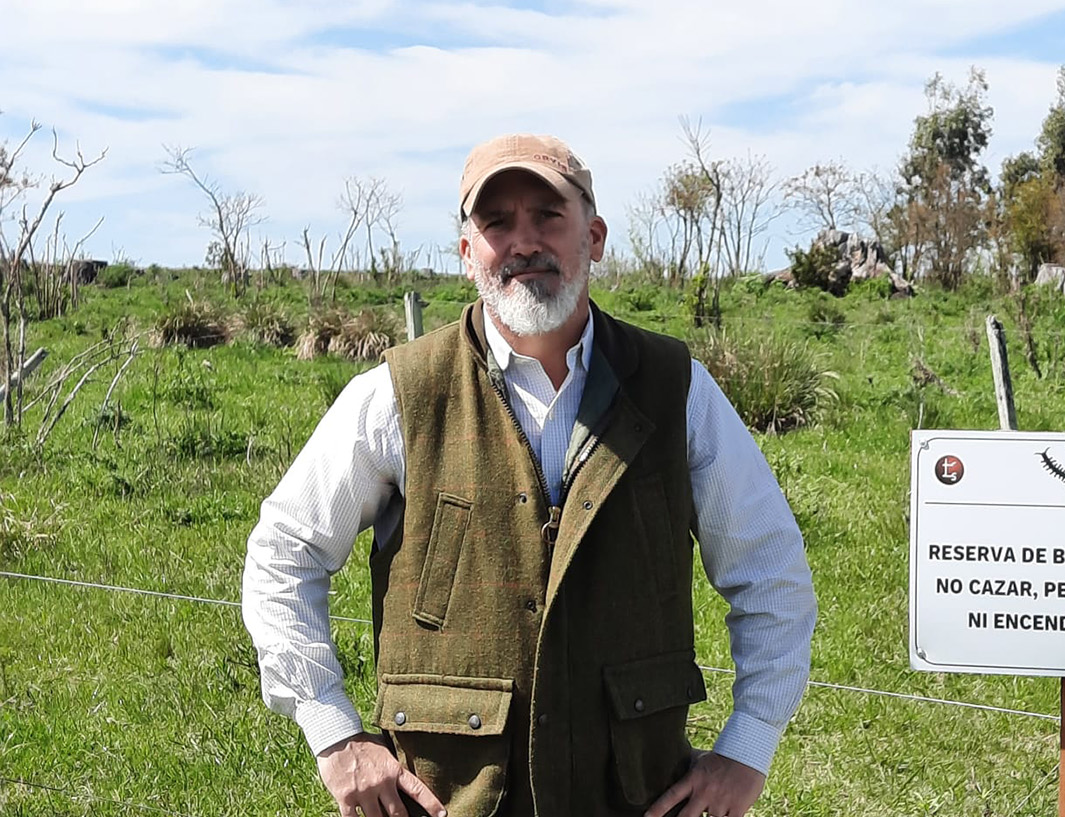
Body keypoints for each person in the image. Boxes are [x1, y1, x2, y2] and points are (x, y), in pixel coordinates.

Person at [242, 133, 817, 817]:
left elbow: (772, 570)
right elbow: (283, 552)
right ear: (466, 252)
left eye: (548, 216)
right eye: (496, 222)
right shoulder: (399, 393)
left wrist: (747, 748)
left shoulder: (675, 389)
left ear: (594, 236)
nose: (524, 241)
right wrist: (334, 734)